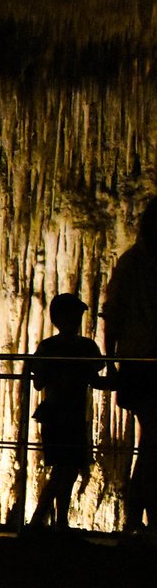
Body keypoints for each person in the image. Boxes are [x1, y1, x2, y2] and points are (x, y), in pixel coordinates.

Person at [24, 293, 111, 529]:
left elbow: (38, 381)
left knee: (65, 469)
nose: (77, 319)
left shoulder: (48, 347)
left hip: (54, 412)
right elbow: (96, 377)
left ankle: (56, 521)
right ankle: (41, 520)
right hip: (69, 413)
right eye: (75, 315)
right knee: (66, 469)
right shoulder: (85, 347)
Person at [105, 196, 157, 529]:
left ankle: (139, 514)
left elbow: (113, 314)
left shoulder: (130, 263)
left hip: (136, 362)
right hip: (144, 363)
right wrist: (111, 361)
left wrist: (112, 360)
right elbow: (114, 313)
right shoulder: (134, 264)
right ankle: (139, 513)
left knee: (151, 439)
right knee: (153, 439)